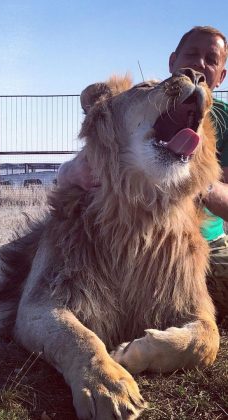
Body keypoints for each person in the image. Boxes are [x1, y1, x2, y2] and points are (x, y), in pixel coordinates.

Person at [58, 26, 228, 321]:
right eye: (192, 54)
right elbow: (91, 157)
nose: (200, 65)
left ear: (222, 75)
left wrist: (200, 182)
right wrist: (70, 170)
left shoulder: (224, 120)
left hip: (205, 243)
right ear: (173, 61)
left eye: (211, 59)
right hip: (133, 241)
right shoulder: (145, 101)